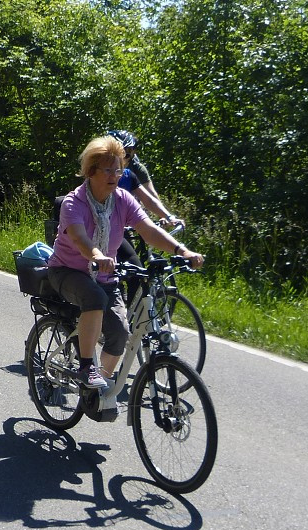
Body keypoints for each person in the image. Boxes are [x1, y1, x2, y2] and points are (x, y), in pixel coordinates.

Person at [46, 134, 203, 393]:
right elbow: (79, 237)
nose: (114, 175)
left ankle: (97, 389)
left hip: (105, 275)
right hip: (68, 271)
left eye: (118, 169)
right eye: (108, 169)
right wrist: (96, 256)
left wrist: (182, 250)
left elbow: (148, 230)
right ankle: (87, 367)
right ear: (91, 171)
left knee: (120, 332)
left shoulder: (122, 199)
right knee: (94, 297)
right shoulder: (74, 203)